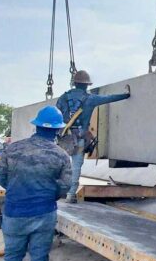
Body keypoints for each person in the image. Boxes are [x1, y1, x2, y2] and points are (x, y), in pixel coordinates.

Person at [0, 105, 71, 261]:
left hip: (14, 212)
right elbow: (65, 187)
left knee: (12, 256)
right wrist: (48, 194)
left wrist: (16, 190)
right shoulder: (61, 155)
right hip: (44, 212)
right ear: (57, 130)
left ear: (36, 126)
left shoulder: (13, 149)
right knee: (39, 256)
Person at [56, 69, 131, 203]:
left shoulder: (63, 98)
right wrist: (126, 95)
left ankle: (58, 191)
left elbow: (57, 115)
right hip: (79, 138)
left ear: (74, 83)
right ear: (86, 85)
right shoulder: (90, 99)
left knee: (60, 164)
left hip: (64, 137)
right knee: (76, 166)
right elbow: (109, 98)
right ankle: (70, 195)